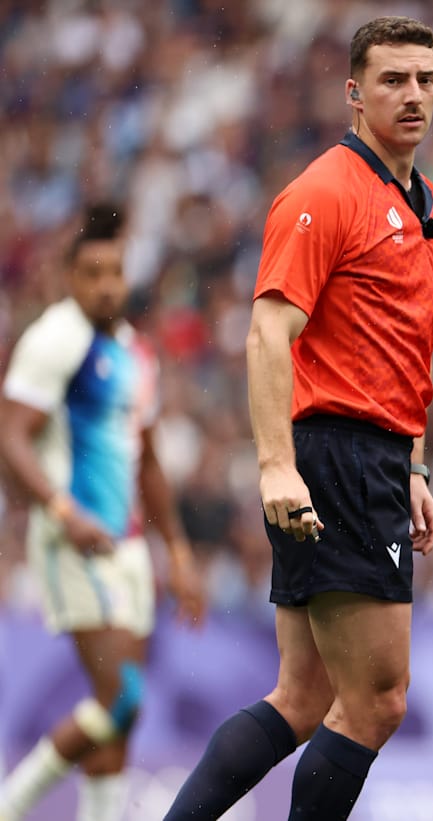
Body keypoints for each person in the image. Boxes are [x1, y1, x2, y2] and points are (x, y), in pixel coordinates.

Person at [163, 15, 433, 820]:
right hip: (335, 459)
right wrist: (276, 465)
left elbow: (403, 347)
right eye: (393, 80)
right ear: (354, 93)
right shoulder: (324, 191)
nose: (413, 95)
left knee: (303, 696)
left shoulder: (429, 204)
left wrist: (414, 463)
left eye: (425, 79)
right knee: (378, 701)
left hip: (376, 457)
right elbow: (267, 331)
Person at [0, 203, 207, 821]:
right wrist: (63, 511)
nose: (106, 286)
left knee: (118, 719)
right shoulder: (54, 341)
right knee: (123, 697)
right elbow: (11, 435)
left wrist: (178, 551)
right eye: (92, 273)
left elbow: (148, 462)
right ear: (70, 277)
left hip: (127, 545)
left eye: (114, 272)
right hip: (75, 540)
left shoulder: (135, 353)